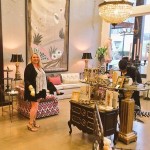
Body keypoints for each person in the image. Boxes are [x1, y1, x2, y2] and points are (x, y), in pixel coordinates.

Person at [24, 53, 47, 132]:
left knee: (36, 107)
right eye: (34, 57)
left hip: (40, 90)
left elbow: (43, 78)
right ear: (31, 58)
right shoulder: (29, 67)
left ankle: (34, 122)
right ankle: (30, 124)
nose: (36, 58)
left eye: (37, 57)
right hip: (33, 90)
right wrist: (31, 89)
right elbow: (26, 80)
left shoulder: (40, 67)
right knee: (34, 106)